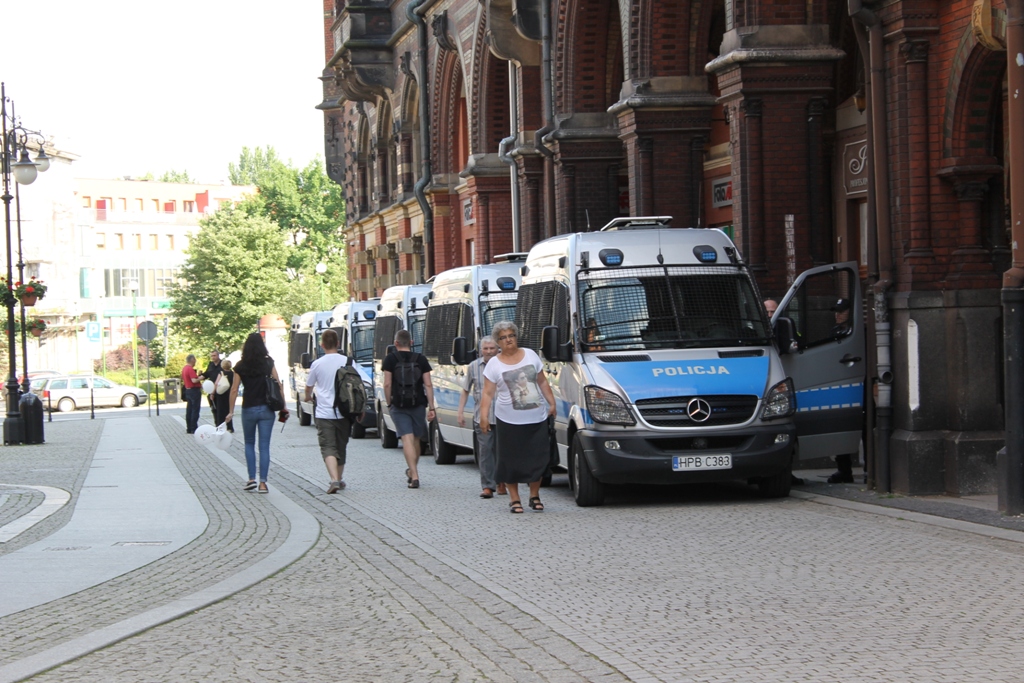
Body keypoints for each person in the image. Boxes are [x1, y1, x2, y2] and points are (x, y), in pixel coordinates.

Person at [479, 321, 557, 514]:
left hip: (536, 417)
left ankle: (534, 495)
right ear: (498, 342)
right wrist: (484, 416)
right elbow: (488, 393)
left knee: (537, 459)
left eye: (511, 336)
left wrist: (552, 402)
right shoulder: (494, 364)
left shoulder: (530, 355)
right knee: (510, 461)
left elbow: (542, 382)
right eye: (503, 338)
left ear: (516, 337)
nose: (508, 340)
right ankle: (514, 499)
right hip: (508, 420)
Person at [223, 333, 284, 494]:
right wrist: (283, 406)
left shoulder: (240, 366)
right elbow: (278, 384)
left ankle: (251, 479)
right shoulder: (268, 362)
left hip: (248, 408)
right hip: (266, 409)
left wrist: (230, 412)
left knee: (249, 443)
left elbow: (234, 390)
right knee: (264, 447)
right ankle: (263, 483)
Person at [305, 328, 360, 494]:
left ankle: (334, 479)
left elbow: (309, 386)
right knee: (341, 445)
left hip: (324, 412)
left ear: (322, 345)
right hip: (345, 411)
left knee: (328, 446)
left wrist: (308, 397)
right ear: (338, 343)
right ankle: (339, 478)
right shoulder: (348, 362)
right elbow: (359, 385)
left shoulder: (317, 364)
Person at [382, 329, 435, 489]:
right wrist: (432, 407)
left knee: (406, 438)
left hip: (398, 404)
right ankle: (413, 472)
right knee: (416, 438)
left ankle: (414, 475)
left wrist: (389, 402)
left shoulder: (390, 359)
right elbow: (428, 384)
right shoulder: (421, 359)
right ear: (411, 343)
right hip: (418, 403)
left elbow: (387, 384)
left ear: (396, 343)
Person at [457, 336, 500, 498]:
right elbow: (465, 390)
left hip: (503, 416)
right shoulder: (474, 367)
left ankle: (501, 480)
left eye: (492, 348)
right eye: (485, 348)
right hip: (482, 417)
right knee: (486, 451)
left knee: (502, 451)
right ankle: (488, 486)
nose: (489, 352)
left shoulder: (503, 364)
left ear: (497, 349)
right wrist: (460, 412)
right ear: (480, 350)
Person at [199, 350, 223, 423]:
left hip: (221, 388)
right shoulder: (211, 365)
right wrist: (199, 377)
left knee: (221, 408)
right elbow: (207, 374)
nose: (213, 357)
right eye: (212, 356)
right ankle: (217, 423)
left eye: (214, 355)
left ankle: (227, 425)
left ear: (218, 356)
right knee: (213, 408)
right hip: (211, 388)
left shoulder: (222, 364)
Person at [181, 354, 202, 434]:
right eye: (195, 360)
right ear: (192, 360)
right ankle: (194, 427)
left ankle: (189, 427)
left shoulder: (185, 368)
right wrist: (201, 378)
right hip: (194, 391)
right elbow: (194, 380)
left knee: (189, 409)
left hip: (188, 390)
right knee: (195, 409)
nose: (195, 361)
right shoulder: (190, 369)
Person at [213, 358, 235, 433]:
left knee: (220, 411)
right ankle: (230, 427)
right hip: (229, 394)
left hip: (221, 394)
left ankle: (220, 426)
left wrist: (213, 392)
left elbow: (216, 383)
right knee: (228, 410)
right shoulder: (233, 373)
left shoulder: (221, 373)